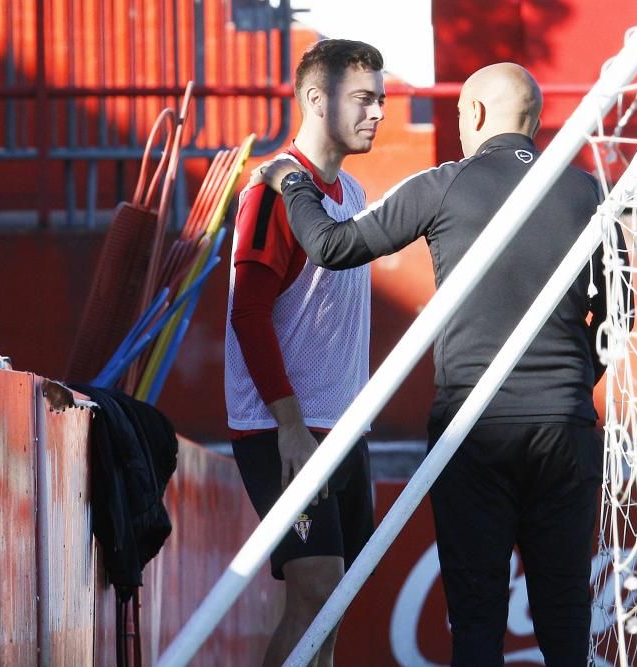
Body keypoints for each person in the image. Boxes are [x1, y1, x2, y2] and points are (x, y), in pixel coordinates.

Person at [256, 62, 632, 666]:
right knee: (566, 620)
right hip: (564, 431)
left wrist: (291, 184)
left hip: (472, 432)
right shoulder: (585, 191)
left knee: (477, 620)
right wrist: (573, 381)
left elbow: (333, 246)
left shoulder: (446, 184)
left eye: (460, 114)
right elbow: (622, 313)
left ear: (478, 114)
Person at [223, 39, 385, 667]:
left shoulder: (354, 192)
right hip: (284, 429)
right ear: (317, 100)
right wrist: (288, 423)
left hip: (344, 426)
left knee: (334, 598)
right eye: (364, 99)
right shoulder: (270, 194)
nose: (377, 114)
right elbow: (247, 312)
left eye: (381, 100)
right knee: (314, 588)